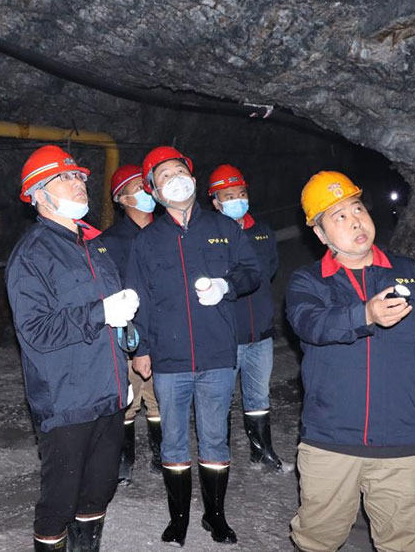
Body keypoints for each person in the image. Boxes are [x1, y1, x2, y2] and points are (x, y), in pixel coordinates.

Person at [286, 171, 415, 552]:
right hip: (330, 442)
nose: (355, 220)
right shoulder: (308, 282)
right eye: (338, 216)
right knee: (317, 541)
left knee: (404, 543)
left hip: (400, 441)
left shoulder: (412, 275)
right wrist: (365, 314)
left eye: (357, 208)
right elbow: (311, 325)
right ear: (320, 233)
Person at [126, 146, 262, 547]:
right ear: (154, 191)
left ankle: (215, 516)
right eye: (164, 176)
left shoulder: (224, 228)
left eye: (178, 171)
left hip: (217, 354)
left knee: (215, 437)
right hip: (169, 359)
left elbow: (252, 271)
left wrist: (227, 286)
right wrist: (140, 349)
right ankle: (179, 519)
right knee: (173, 440)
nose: (175, 180)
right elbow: (138, 297)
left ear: (193, 178)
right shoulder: (147, 240)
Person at [5, 144, 138, 552]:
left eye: (78, 176)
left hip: (108, 392)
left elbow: (112, 318)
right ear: (38, 194)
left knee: (99, 491)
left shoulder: (94, 244)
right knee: (59, 503)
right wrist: (101, 312)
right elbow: (35, 330)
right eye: (64, 177)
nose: (78, 182)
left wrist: (124, 363)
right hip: (66, 400)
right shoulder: (31, 256)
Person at [208, 164, 288, 472]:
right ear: (216, 202)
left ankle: (262, 452)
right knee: (220, 398)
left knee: (259, 395)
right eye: (228, 196)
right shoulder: (209, 235)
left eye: (240, 193)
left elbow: (270, 270)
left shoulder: (262, 231)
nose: (236, 200)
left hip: (261, 332)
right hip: (227, 335)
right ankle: (218, 456)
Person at [99, 164, 162, 483]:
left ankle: (162, 457)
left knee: (160, 401)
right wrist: (132, 343)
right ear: (122, 199)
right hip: (130, 337)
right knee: (129, 400)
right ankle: (124, 462)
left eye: (148, 186)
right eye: (139, 188)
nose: (148, 192)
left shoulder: (166, 233)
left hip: (165, 334)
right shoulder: (109, 242)